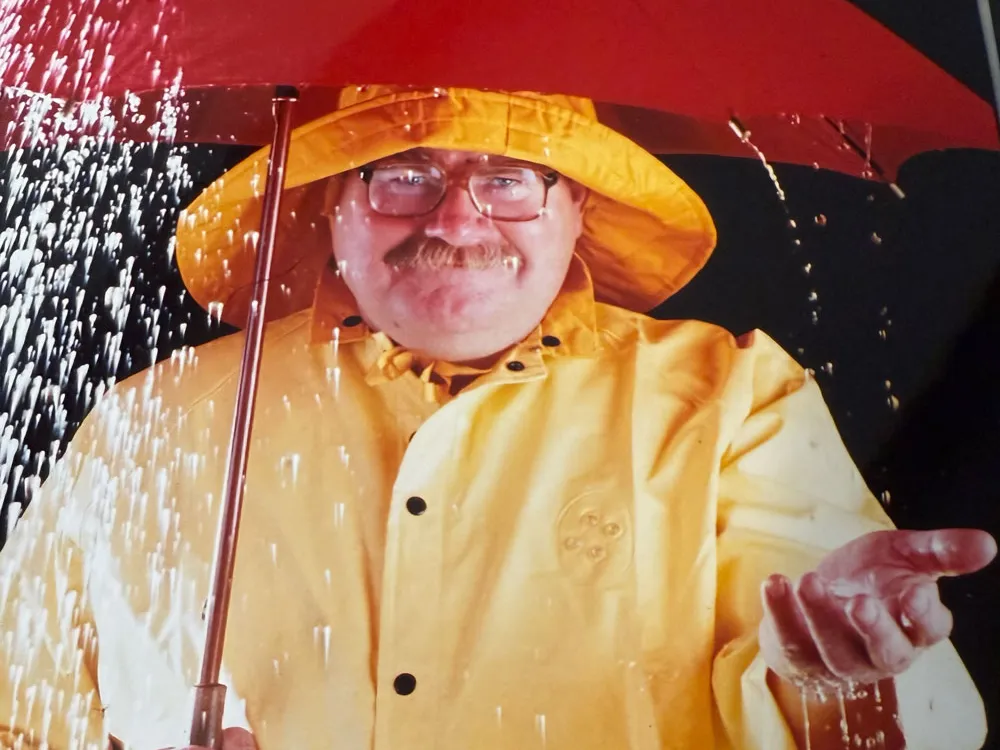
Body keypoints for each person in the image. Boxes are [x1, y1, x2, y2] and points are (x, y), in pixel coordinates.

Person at [0, 85, 993, 750]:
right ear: (328, 207)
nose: (456, 220)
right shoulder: (156, 421)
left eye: (509, 179)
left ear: (578, 214)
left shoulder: (731, 405)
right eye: (402, 175)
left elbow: (921, 727)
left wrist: (838, 669)